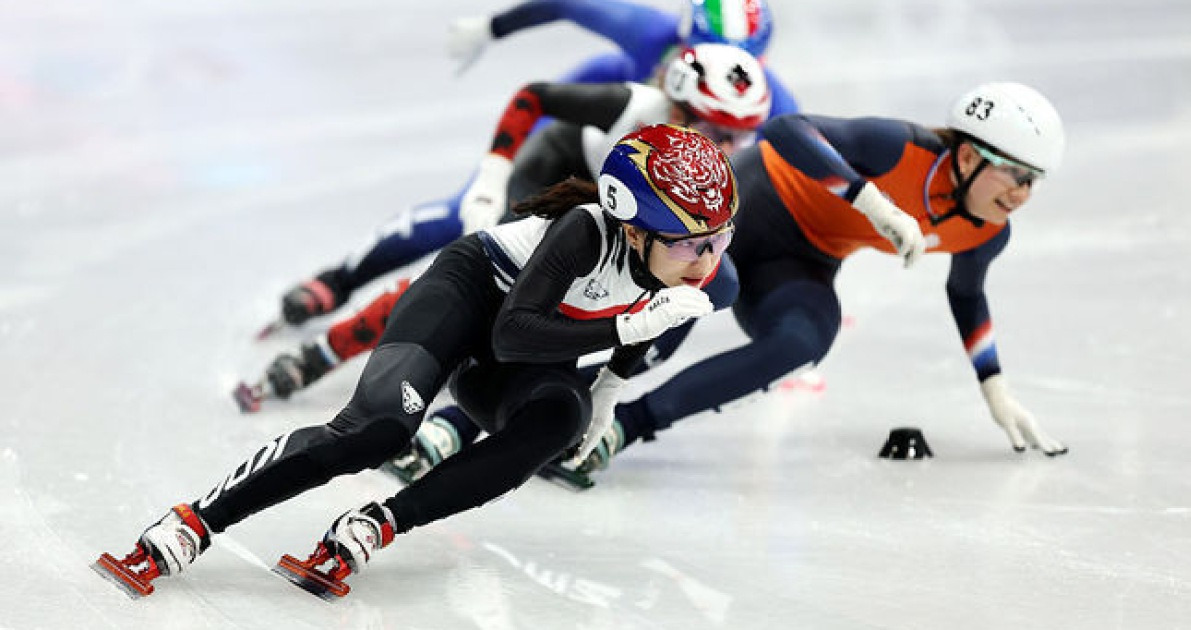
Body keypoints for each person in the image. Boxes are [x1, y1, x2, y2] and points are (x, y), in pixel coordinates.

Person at [93, 124, 741, 599]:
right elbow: (514, 334)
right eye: (694, 244)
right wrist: (627, 327)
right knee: (377, 432)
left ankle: (378, 523)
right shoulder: (584, 230)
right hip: (469, 301)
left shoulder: (695, 265)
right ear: (633, 228)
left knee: (558, 423)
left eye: (721, 237)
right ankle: (196, 521)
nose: (709, 260)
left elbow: (641, 310)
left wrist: (609, 389)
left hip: (520, 356)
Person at [239, 43, 769, 411]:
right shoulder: (634, 105)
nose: (727, 148)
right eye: (715, 130)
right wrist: (493, 176)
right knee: (458, 255)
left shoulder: (707, 169)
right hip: (558, 177)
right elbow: (532, 96)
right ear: (675, 104)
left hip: (618, 215)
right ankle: (325, 341)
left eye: (741, 138)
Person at [576, 82, 1072, 470]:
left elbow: (966, 293)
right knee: (672, 325)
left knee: (804, 338)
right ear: (968, 156)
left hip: (797, 262)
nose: (1023, 194)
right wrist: (873, 203)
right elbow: (785, 130)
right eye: (1017, 174)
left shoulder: (987, 232)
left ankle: (621, 428)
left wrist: (994, 387)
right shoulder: (900, 148)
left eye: (1036, 181)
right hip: (742, 209)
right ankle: (552, 384)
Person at [446, 0, 797, 117]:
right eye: (704, 62)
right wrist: (491, 28)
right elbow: (568, 4)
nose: (717, 76)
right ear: (680, 40)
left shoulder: (776, 107)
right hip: (601, 94)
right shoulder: (649, 33)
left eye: (736, 69)